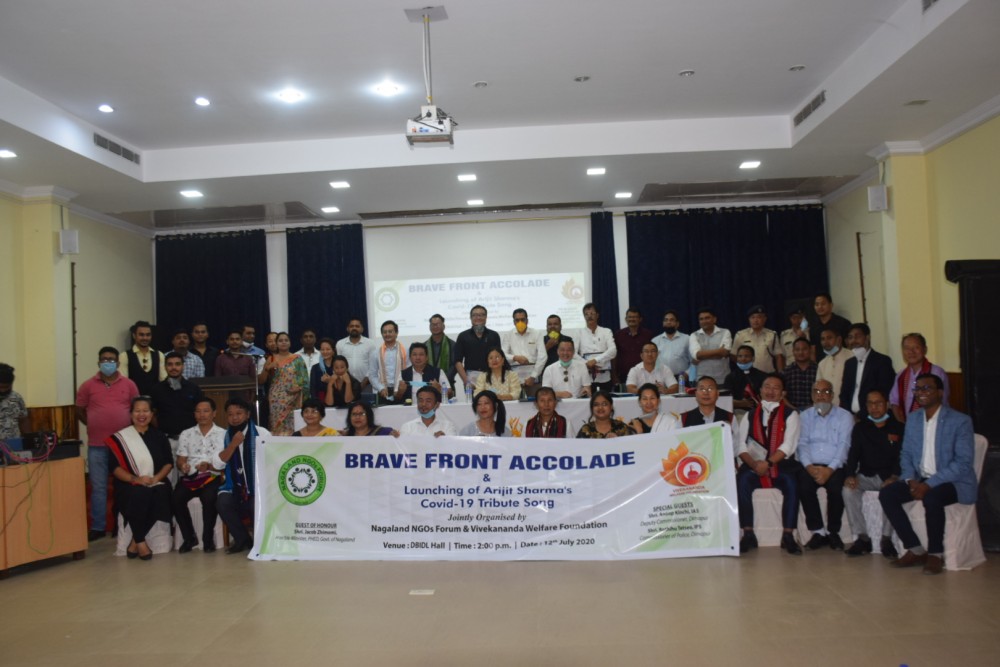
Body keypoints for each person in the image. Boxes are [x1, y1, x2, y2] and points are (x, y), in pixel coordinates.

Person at [879, 374, 977, 575]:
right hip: (920, 478)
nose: (921, 393)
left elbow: (963, 463)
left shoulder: (960, 421)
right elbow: (905, 454)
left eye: (926, 389)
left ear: (940, 393)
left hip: (953, 481)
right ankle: (915, 549)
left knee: (932, 498)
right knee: (888, 494)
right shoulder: (914, 419)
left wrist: (929, 484)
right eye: (917, 389)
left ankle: (935, 554)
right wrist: (909, 479)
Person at [76, 346, 139, 541]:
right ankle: (98, 527)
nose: (108, 363)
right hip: (97, 445)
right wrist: (94, 423)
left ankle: (124, 522)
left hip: (123, 445)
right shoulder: (87, 385)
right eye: (104, 359)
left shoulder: (129, 385)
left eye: (111, 360)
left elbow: (138, 410)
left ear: (118, 363)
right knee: (99, 487)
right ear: (98, 362)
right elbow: (79, 409)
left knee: (125, 485)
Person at [736, 374, 802, 555]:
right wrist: (754, 464)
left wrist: (768, 463)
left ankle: (788, 535)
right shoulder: (749, 415)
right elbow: (740, 445)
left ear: (783, 393)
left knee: (792, 483)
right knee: (741, 482)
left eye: (776, 388)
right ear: (760, 391)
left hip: (781, 464)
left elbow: (788, 446)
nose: (771, 391)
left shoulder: (791, 414)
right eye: (767, 387)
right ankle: (748, 533)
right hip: (754, 465)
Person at [105, 396, 173, 560]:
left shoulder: (159, 436)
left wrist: (156, 478)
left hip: (156, 481)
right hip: (129, 483)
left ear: (151, 414)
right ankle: (141, 542)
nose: (141, 415)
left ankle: (135, 541)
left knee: (162, 494)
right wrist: (135, 479)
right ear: (131, 414)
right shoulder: (120, 439)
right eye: (137, 411)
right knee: (140, 494)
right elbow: (115, 468)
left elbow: (168, 463)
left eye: (145, 411)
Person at [843, 390, 904, 558]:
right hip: (867, 475)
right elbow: (853, 454)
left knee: (891, 493)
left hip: (890, 476)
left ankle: (886, 539)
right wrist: (850, 475)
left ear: (887, 405)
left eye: (878, 403)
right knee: (848, 490)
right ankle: (862, 538)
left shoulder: (898, 427)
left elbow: (902, 457)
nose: (874, 407)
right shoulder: (861, 427)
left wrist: (894, 476)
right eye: (870, 403)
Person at [796, 380, 855, 551]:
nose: (821, 395)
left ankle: (833, 532)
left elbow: (845, 445)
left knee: (837, 489)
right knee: (804, 487)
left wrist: (830, 469)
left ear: (833, 395)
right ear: (812, 395)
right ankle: (818, 531)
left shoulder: (845, 416)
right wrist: (808, 466)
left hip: (835, 465)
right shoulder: (804, 416)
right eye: (817, 392)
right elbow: (802, 444)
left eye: (826, 392)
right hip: (810, 464)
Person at [216, 397, 271, 554]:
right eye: (230, 414)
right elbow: (218, 464)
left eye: (238, 413)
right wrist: (233, 444)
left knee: (256, 503)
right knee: (222, 502)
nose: (234, 418)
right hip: (234, 486)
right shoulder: (223, 436)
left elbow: (272, 460)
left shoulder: (262, 433)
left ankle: (260, 540)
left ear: (248, 415)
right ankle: (242, 539)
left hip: (257, 486)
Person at [173, 396, 226, 554]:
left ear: (214, 413)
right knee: (176, 498)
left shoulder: (223, 434)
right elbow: (180, 459)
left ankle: (208, 539)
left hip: (213, 476)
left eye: (206, 411)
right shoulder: (186, 433)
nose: (202, 415)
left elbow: (226, 460)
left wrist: (210, 466)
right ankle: (189, 538)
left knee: (209, 498)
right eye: (198, 411)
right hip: (191, 476)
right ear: (194, 414)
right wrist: (183, 465)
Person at [148, 352, 202, 472]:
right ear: (165, 367)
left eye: (177, 364)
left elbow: (200, 413)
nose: (174, 367)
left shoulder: (193, 388)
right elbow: (152, 415)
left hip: (190, 441)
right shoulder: (157, 389)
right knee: (169, 477)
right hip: (167, 440)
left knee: (189, 477)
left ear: (183, 366)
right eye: (170, 364)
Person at [889, 333, 950, 423]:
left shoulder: (936, 372)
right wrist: (903, 424)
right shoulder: (901, 375)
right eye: (907, 348)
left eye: (916, 347)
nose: (911, 352)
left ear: (925, 349)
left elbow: (943, 401)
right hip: (908, 426)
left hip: (934, 423)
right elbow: (894, 401)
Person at [839, 322, 895, 419]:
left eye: (857, 336)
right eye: (850, 337)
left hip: (874, 418)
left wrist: (860, 416)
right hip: (850, 418)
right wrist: (849, 415)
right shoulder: (849, 364)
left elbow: (884, 392)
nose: (853, 341)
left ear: (867, 337)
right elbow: (844, 393)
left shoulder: (882, 361)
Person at [260, 332, 309, 436]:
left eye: (286, 340)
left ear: (290, 343)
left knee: (294, 424)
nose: (283, 343)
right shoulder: (271, 358)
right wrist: (267, 368)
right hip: (276, 398)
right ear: (276, 344)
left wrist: (299, 388)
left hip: (294, 398)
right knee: (277, 424)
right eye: (280, 341)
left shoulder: (297, 359)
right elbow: (262, 380)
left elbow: (304, 380)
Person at [454, 305, 502, 391]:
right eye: (475, 315)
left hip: (491, 379)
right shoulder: (463, 336)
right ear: (470, 318)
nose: (478, 317)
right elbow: (458, 361)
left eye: (481, 315)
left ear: (486, 317)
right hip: (470, 381)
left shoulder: (494, 335)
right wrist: (466, 381)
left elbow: (499, 359)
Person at [575, 302, 617, 394]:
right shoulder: (579, 333)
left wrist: (595, 360)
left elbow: (613, 351)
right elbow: (573, 354)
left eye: (592, 313)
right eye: (586, 314)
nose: (589, 316)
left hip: (605, 377)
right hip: (586, 378)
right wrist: (586, 363)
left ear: (597, 315)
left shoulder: (606, 331)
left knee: (605, 404)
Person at [501, 308, 548, 391]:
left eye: (523, 319)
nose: (520, 322)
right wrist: (515, 357)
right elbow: (502, 355)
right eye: (517, 320)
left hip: (533, 375)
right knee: (514, 402)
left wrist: (533, 376)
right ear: (514, 322)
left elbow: (543, 356)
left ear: (527, 320)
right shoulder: (508, 335)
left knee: (534, 401)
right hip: (514, 377)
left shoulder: (537, 333)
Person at [678, 377, 734, 443]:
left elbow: (737, 446)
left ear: (717, 394)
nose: (706, 393)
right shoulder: (683, 419)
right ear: (696, 394)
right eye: (702, 389)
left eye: (710, 389)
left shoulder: (730, 417)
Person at [732, 305, 784, 373]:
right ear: (749, 319)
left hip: (767, 373)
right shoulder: (740, 335)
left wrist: (780, 372)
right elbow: (733, 355)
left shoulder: (772, 335)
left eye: (759, 317)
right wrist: (743, 366)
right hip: (748, 374)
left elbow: (778, 356)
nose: (755, 320)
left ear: (765, 319)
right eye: (752, 317)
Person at [119, 320, 166, 395]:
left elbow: (163, 380)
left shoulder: (159, 355)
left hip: (155, 401)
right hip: (134, 401)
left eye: (148, 335)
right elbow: (124, 383)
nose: (145, 338)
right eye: (141, 335)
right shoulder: (124, 356)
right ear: (134, 335)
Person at [688, 307, 732, 385]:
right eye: (701, 319)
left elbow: (725, 352)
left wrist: (703, 355)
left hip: (723, 379)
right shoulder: (694, 335)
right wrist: (718, 352)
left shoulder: (725, 332)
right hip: (702, 380)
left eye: (707, 318)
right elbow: (697, 355)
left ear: (714, 319)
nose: (704, 321)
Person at [613, 308, 654, 386]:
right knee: (625, 398)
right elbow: (614, 356)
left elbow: (652, 355)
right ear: (626, 319)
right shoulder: (618, 335)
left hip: (644, 374)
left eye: (635, 317)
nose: (632, 319)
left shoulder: (648, 335)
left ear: (640, 319)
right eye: (630, 317)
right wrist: (614, 375)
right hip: (623, 376)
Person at [369, 320, 407, 403]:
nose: (387, 334)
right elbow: (372, 375)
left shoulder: (405, 351)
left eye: (390, 331)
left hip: (402, 390)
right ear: (382, 334)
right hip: (383, 391)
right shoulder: (375, 353)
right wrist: (380, 388)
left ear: (396, 333)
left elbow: (409, 371)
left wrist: (401, 388)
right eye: (384, 332)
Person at [651, 310, 693, 384]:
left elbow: (694, 361)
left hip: (681, 378)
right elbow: (651, 361)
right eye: (666, 320)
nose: (668, 322)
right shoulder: (655, 341)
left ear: (677, 324)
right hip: (661, 379)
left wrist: (687, 374)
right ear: (663, 323)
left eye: (671, 320)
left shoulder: (687, 339)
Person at [815, 327, 852, 405]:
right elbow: (818, 389)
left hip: (848, 409)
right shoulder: (822, 363)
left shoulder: (852, 357)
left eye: (829, 338)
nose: (825, 342)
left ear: (839, 339)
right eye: (823, 339)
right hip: (828, 410)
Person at [725, 345, 768, 413]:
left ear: (753, 358)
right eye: (740, 356)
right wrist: (741, 403)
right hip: (738, 411)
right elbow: (726, 400)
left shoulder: (762, 376)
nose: (743, 359)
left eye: (746, 356)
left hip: (760, 411)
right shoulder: (730, 377)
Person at [337, 317, 375, 392]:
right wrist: (347, 381)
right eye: (352, 326)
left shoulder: (370, 343)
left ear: (362, 329)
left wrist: (365, 380)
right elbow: (338, 365)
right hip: (346, 383)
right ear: (347, 329)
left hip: (366, 384)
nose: (354, 328)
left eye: (357, 326)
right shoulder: (340, 344)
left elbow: (373, 365)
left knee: (366, 403)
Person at [782, 338, 818, 410]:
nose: (801, 352)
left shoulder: (818, 370)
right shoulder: (786, 371)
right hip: (791, 412)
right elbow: (781, 396)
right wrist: (794, 410)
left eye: (804, 349)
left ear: (810, 350)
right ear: (793, 351)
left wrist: (811, 408)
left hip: (814, 411)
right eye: (797, 350)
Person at [426, 314, 457, 390]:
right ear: (429, 327)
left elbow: (455, 365)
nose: (435, 327)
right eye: (433, 325)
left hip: (447, 385)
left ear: (443, 326)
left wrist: (443, 379)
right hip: (428, 385)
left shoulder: (452, 345)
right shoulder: (424, 346)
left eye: (438, 324)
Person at [0, 363, 29, 441]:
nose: (3, 390)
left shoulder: (17, 397)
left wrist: (28, 439)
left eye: (7, 387)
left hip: (14, 444)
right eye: (1, 387)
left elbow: (23, 420)